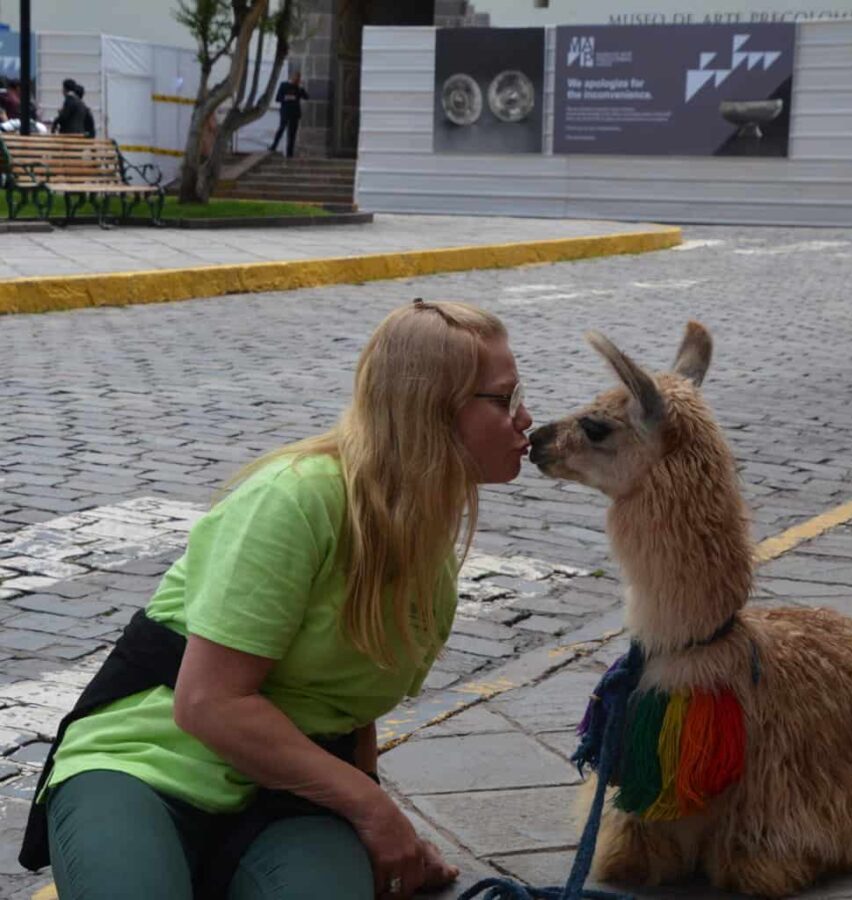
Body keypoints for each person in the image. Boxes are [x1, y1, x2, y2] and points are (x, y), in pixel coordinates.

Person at [20, 299, 533, 899]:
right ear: (430, 409)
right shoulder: (296, 500)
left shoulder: (423, 537)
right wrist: (372, 810)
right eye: (504, 399)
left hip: (291, 794)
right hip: (147, 762)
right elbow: (209, 703)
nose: (526, 418)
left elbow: (346, 699)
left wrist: (374, 821)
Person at [270, 70, 309, 157]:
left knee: (292, 133)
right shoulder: (284, 85)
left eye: (298, 79)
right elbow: (278, 98)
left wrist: (301, 88)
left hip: (295, 113)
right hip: (285, 111)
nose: (297, 80)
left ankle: (289, 153)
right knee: (281, 128)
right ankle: (273, 146)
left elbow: (306, 97)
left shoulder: (298, 88)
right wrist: (286, 98)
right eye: (296, 78)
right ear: (292, 77)